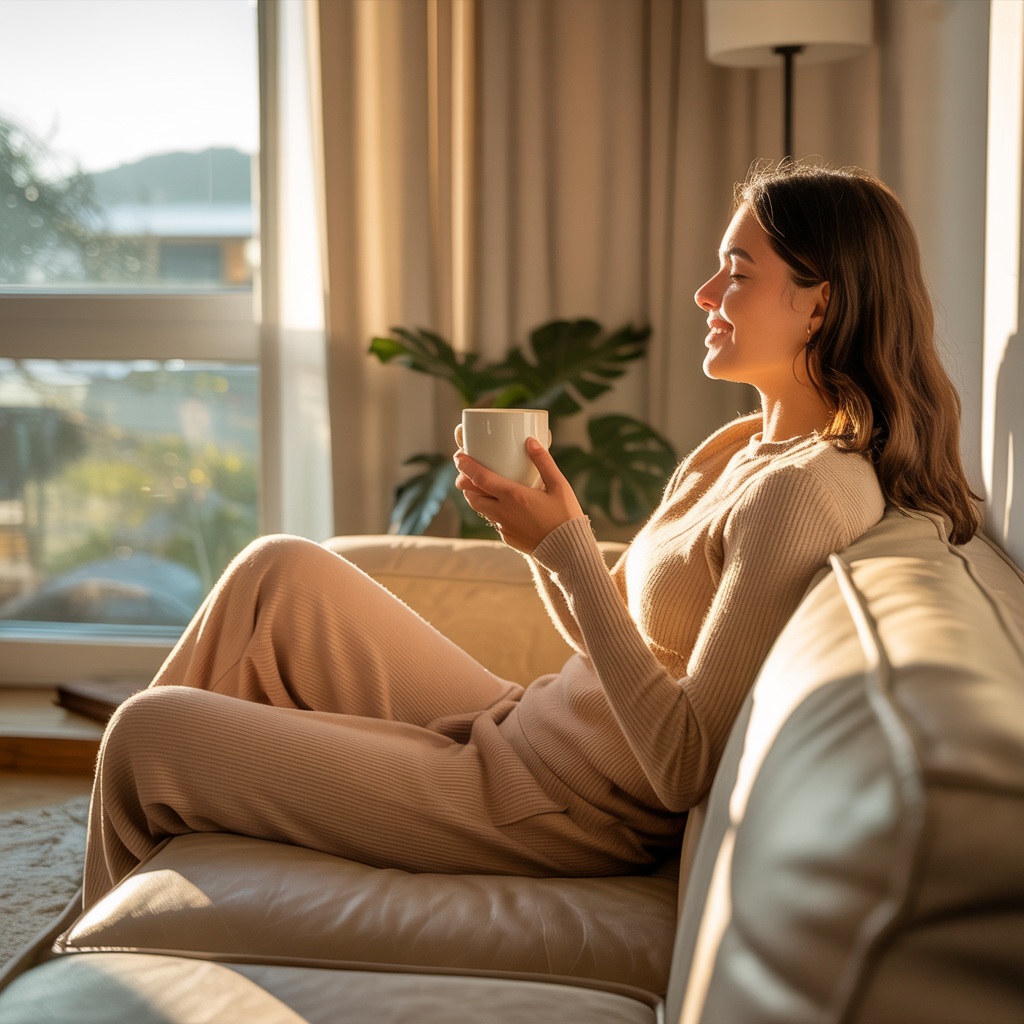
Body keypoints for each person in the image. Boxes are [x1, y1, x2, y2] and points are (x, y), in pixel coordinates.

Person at [82, 163, 979, 909]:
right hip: (523, 726)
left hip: (558, 808)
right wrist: (542, 541)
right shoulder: (741, 444)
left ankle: (94, 945)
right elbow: (619, 634)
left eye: (738, 272)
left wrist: (568, 551)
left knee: (147, 738)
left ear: (820, 303)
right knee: (276, 574)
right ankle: (135, 877)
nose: (706, 293)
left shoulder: (812, 492)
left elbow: (681, 766)